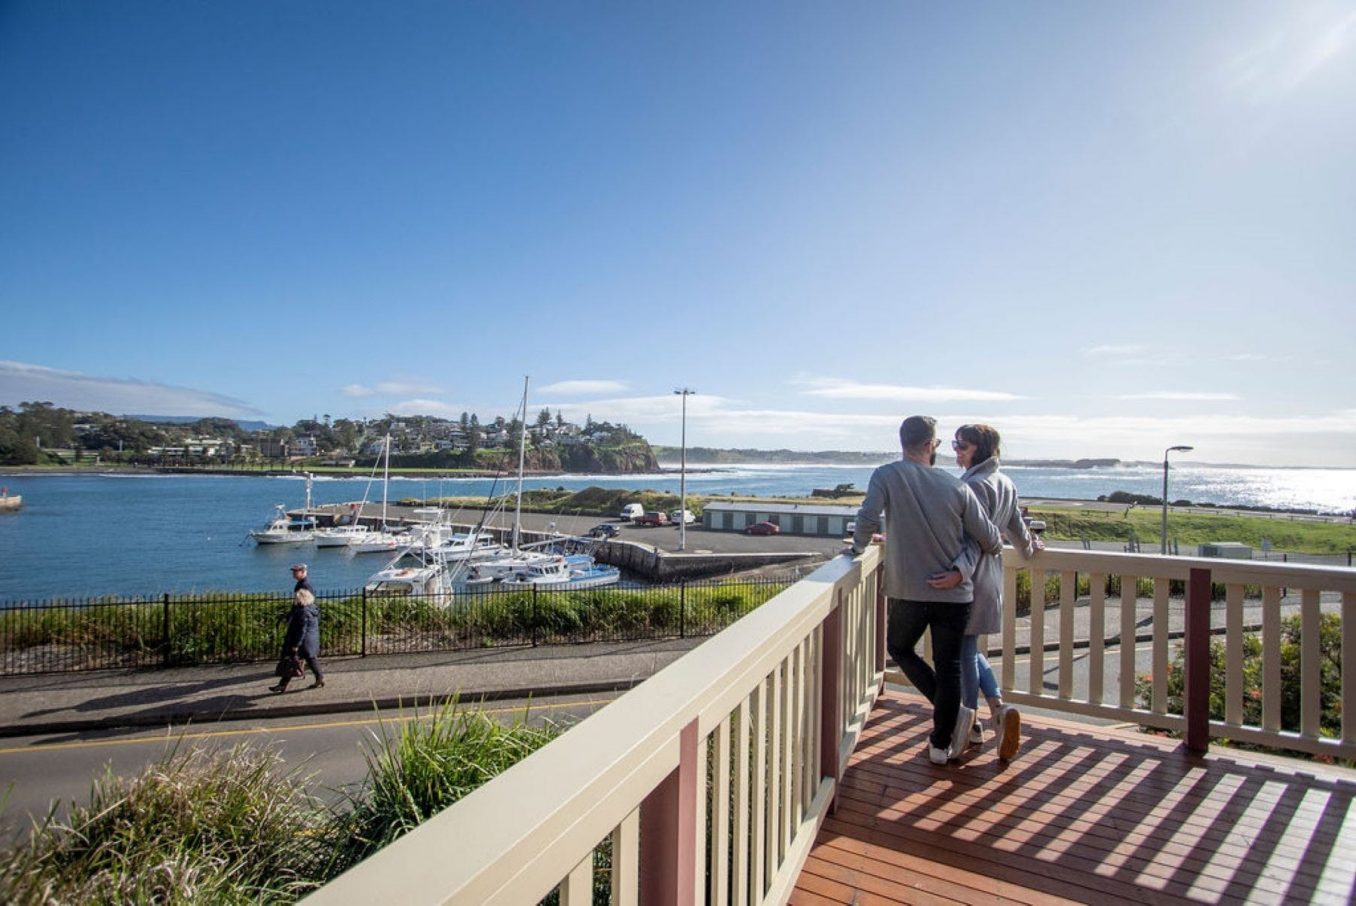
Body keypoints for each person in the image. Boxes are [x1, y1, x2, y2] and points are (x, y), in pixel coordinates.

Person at [848, 415, 1002, 765]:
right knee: (949, 665)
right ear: (931, 445)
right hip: (955, 595)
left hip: (911, 592)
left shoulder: (886, 475)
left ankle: (955, 718)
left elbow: (868, 517)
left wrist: (857, 549)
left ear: (902, 442)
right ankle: (941, 742)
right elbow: (990, 540)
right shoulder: (956, 486)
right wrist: (961, 568)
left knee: (900, 648)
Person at [951, 424, 1043, 761]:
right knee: (970, 647)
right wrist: (1032, 547)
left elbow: (963, 538)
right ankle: (998, 709)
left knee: (963, 650)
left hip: (967, 577)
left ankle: (970, 722)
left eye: (962, 445)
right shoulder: (1005, 482)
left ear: (980, 448)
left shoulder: (973, 485)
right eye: (955, 444)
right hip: (991, 577)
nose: (956, 451)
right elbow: (1018, 530)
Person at [269, 588, 325, 693]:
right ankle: (319, 678)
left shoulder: (302, 612)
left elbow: (301, 630)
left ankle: (282, 685)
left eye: (296, 598)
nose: (294, 600)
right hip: (311, 640)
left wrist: (296, 645)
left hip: (304, 642)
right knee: (310, 660)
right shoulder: (313, 609)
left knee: (292, 662)